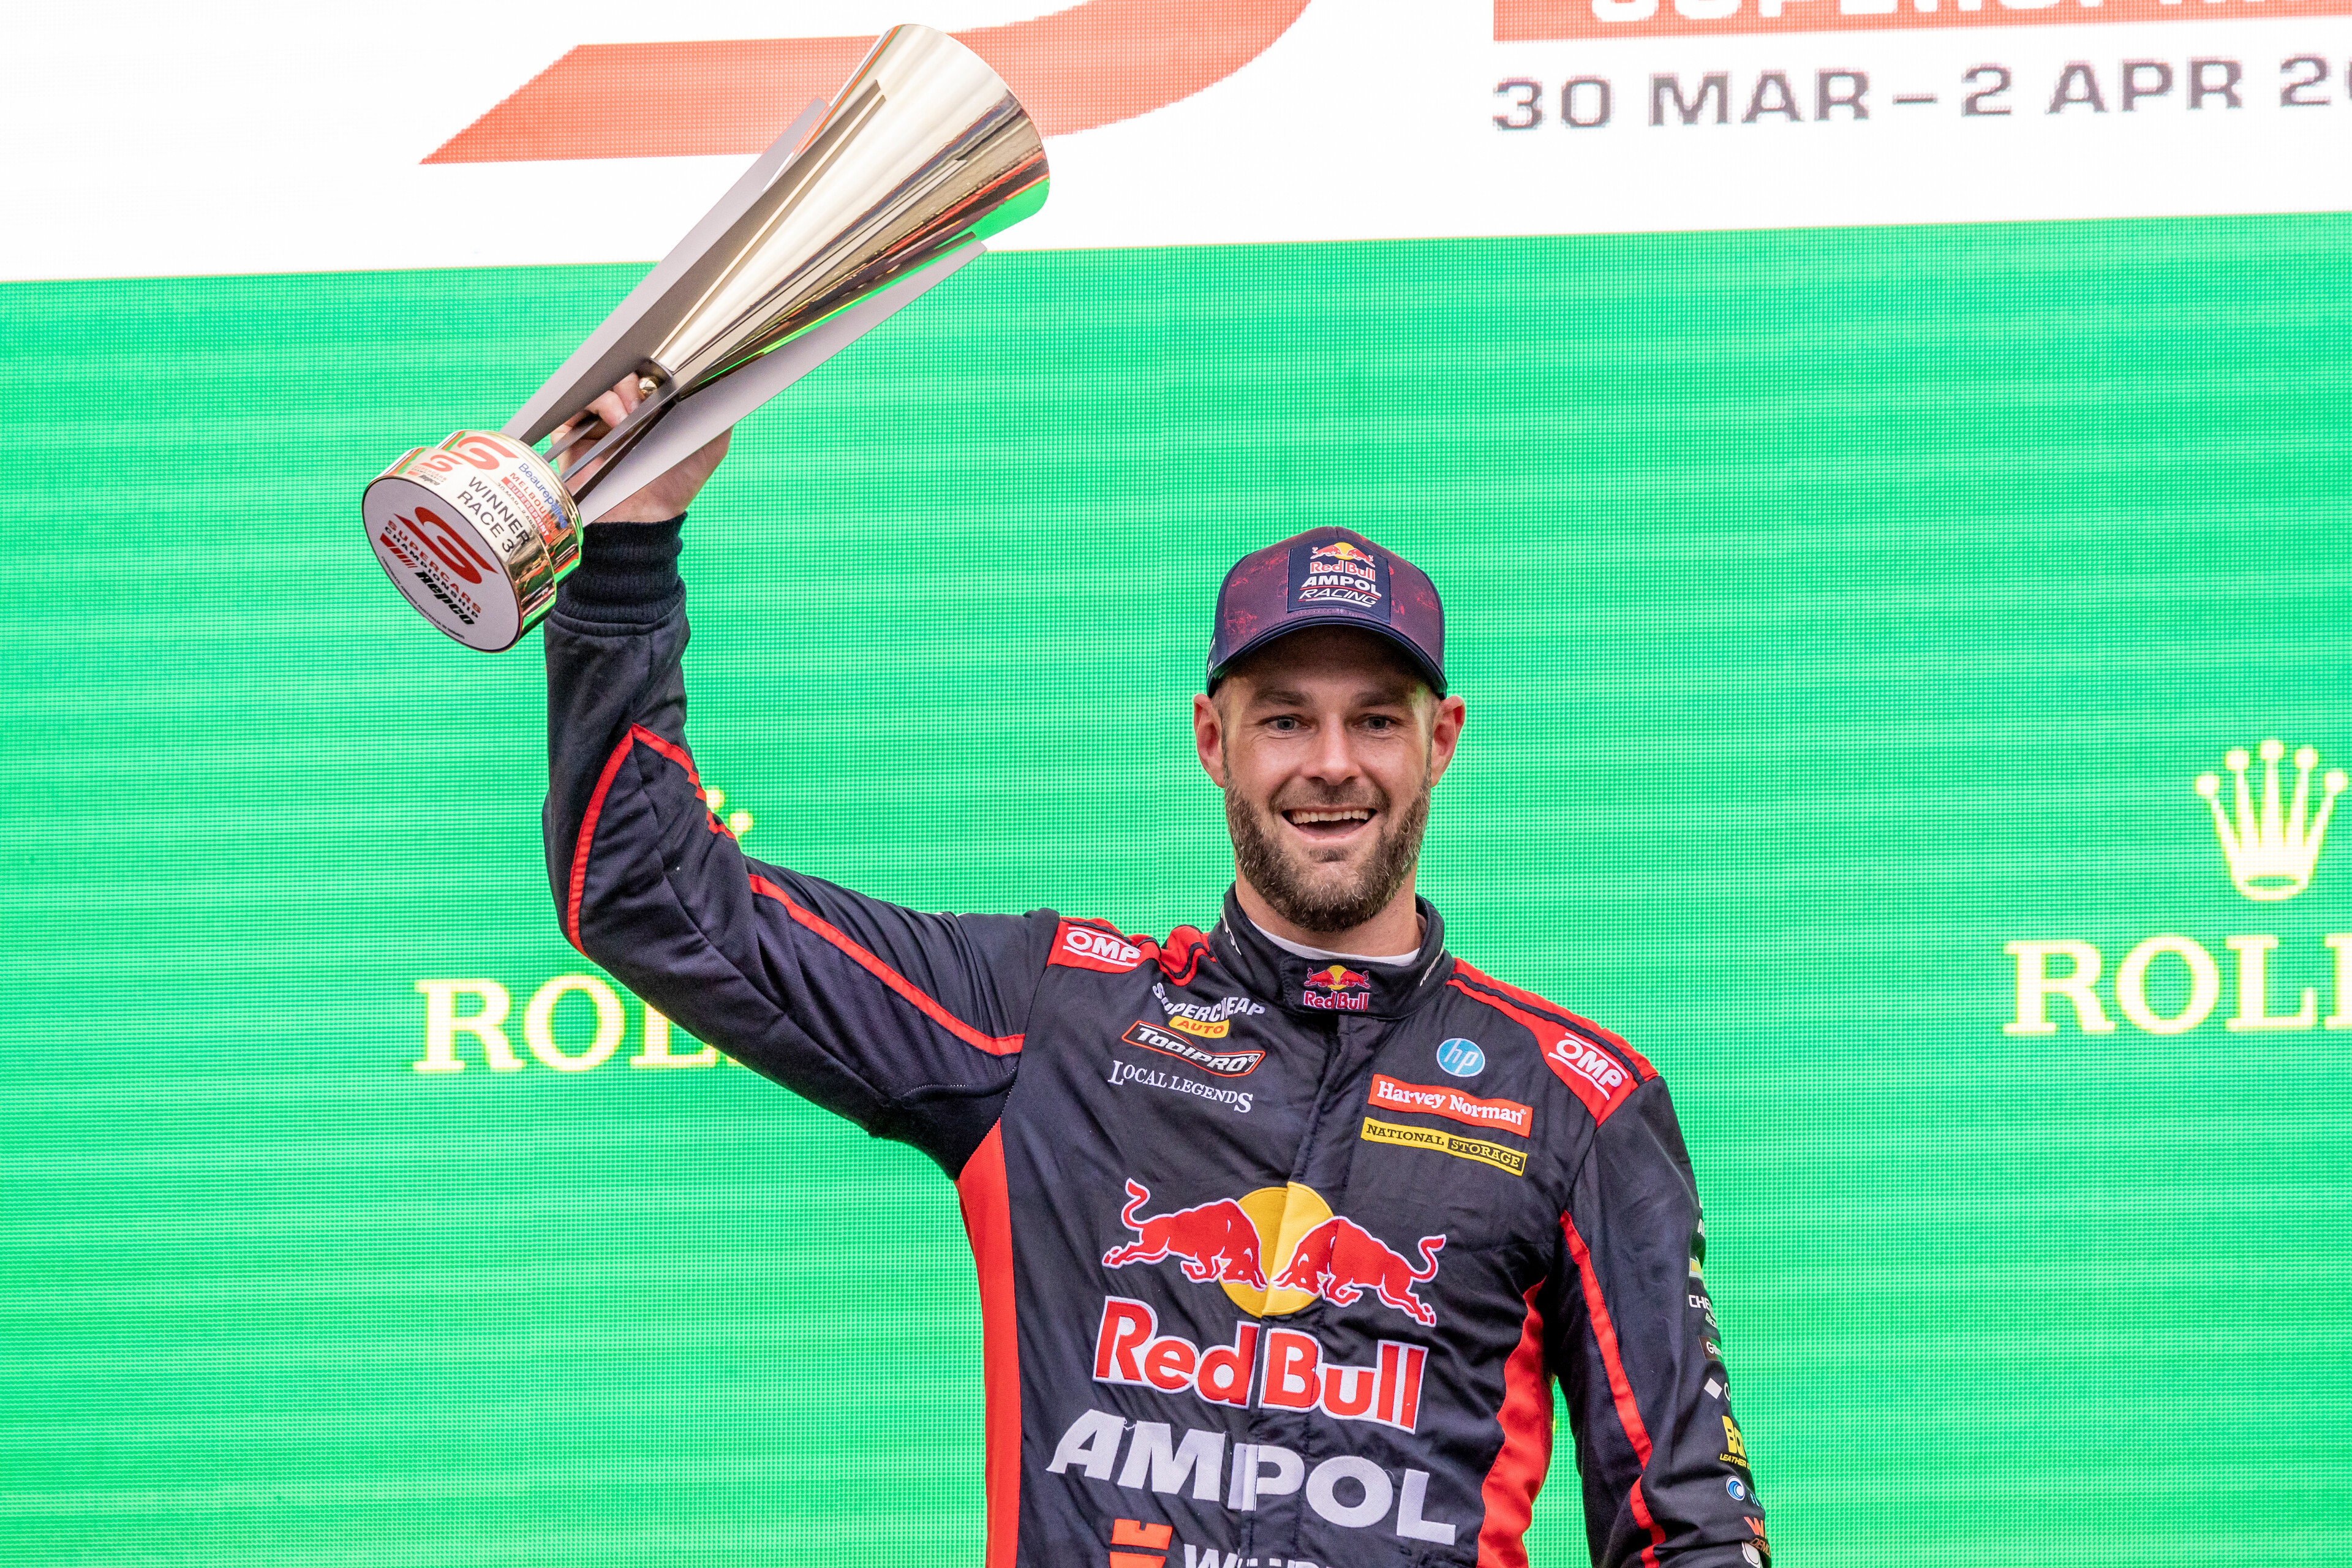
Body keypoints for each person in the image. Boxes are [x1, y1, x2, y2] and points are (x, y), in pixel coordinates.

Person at [542, 379, 1770, 1568]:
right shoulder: (1053, 1015)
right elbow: (652, 896)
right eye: (1285, 717)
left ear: (1439, 741)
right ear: (1212, 740)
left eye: (1376, 718)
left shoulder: (1577, 1095)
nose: (1331, 763)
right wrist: (630, 554)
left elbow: (1692, 1526)